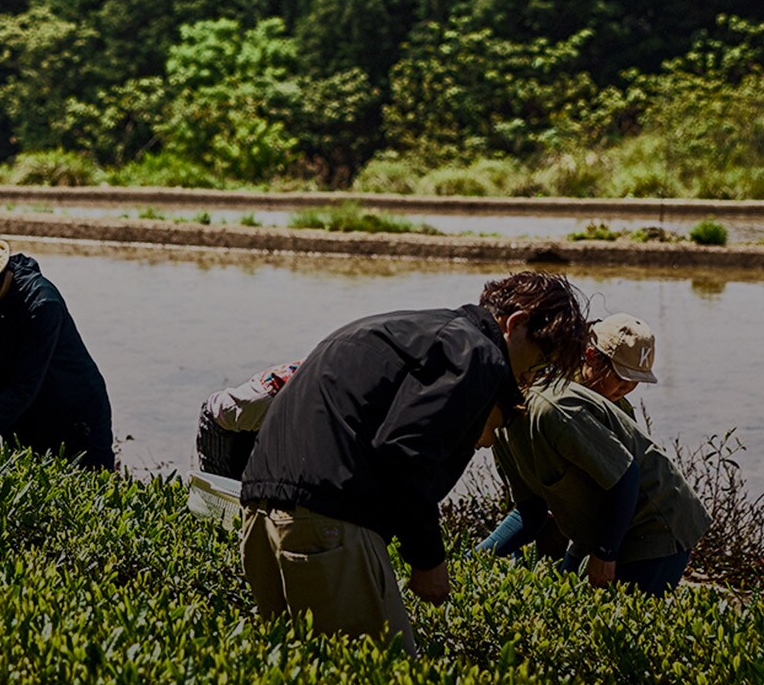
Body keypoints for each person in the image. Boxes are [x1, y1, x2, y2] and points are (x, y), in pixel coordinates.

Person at [238, 270, 590, 654]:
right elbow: (408, 455)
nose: (529, 378)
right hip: (325, 520)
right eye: (540, 362)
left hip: (261, 513)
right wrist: (429, 561)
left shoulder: (411, 330)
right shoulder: (477, 352)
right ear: (517, 323)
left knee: (301, 683)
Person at [478, 362, 708, 594]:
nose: (468, 446)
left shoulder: (552, 412)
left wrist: (605, 554)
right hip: (604, 523)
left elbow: (627, 476)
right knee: (563, 602)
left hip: (656, 520)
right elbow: (531, 512)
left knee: (624, 621)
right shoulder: (502, 430)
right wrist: (473, 560)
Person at [0, 222, 116, 471]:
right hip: (18, 413)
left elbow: (24, 388)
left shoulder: (41, 303)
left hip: (74, 416)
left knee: (85, 492)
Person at [196, 362, 300, 481]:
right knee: (227, 492)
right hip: (222, 428)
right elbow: (213, 415)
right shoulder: (263, 399)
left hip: (272, 425)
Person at [580, 313, 657, 413]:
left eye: (635, 380)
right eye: (620, 377)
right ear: (592, 357)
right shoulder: (564, 401)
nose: (627, 387)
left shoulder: (622, 408)